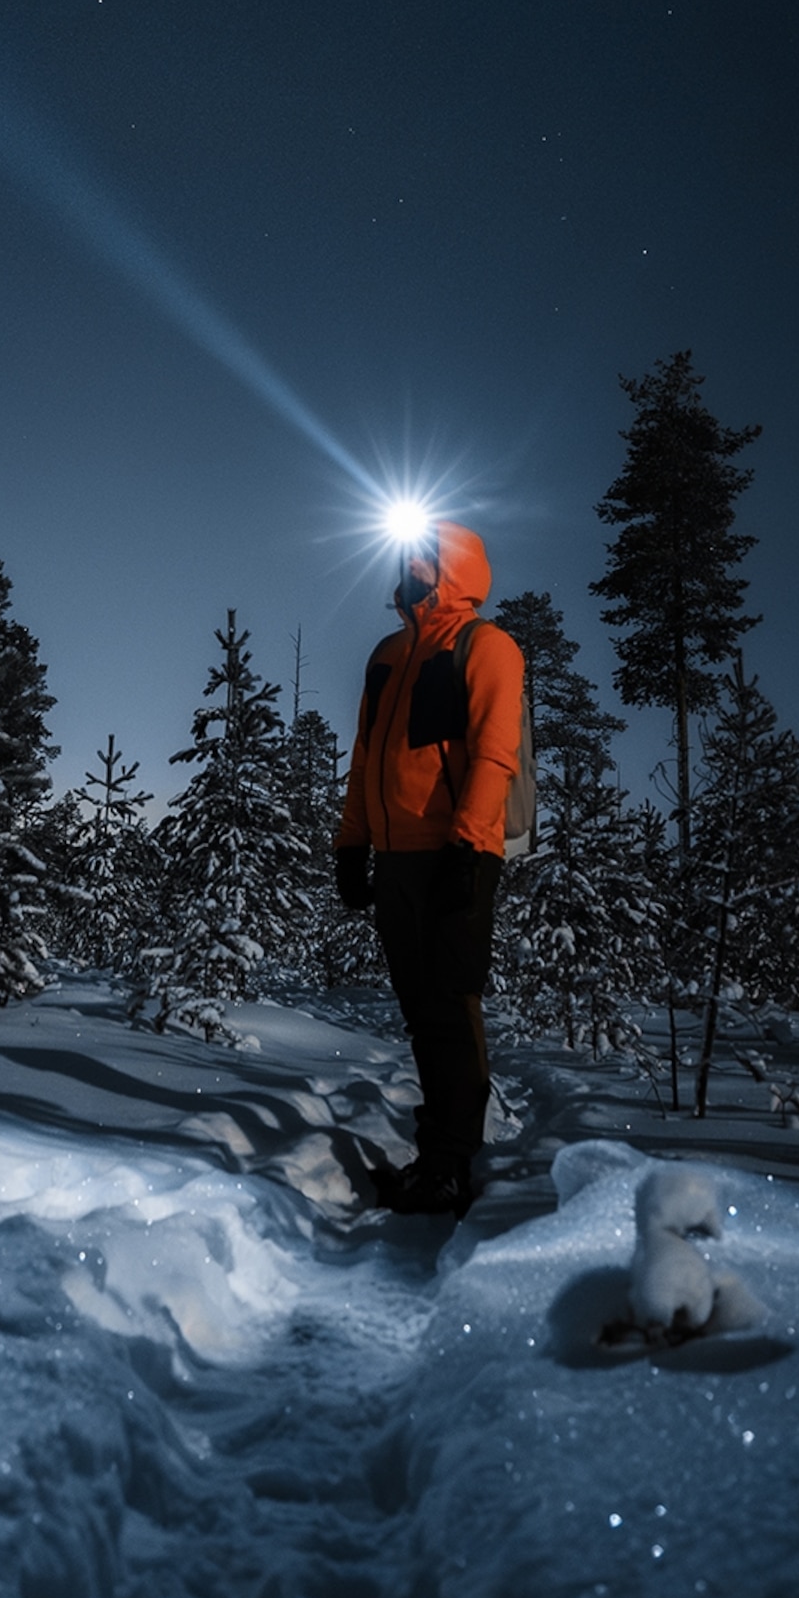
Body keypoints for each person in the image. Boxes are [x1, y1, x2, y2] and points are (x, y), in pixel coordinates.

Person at [334, 519, 525, 1214]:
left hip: (455, 856)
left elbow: (495, 756)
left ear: (452, 566)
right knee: (421, 1013)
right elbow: (365, 761)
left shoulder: (487, 646)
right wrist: (351, 845)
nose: (410, 565)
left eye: (424, 556)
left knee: (450, 1008)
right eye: (405, 556)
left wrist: (470, 850)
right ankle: (434, 1152)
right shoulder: (387, 655)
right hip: (394, 860)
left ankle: (454, 1163)